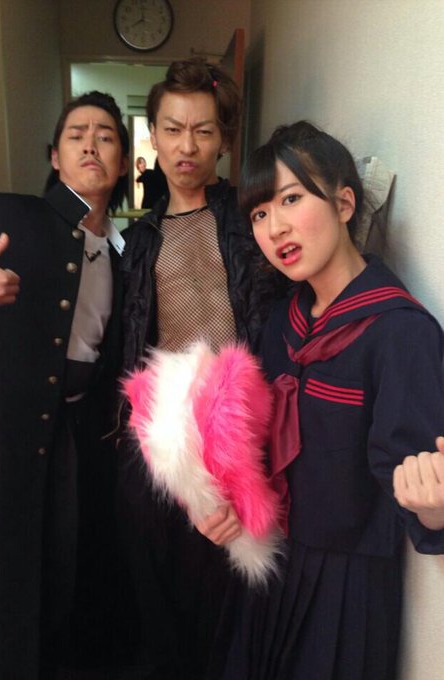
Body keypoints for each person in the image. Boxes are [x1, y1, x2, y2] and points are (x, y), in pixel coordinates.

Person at [215, 121, 444, 680]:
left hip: (346, 591)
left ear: (344, 203)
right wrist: (227, 500)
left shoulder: (400, 333)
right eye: (259, 213)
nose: (275, 227)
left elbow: (415, 478)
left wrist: (434, 507)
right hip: (269, 564)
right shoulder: (282, 321)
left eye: (291, 199)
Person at [0, 91, 130, 680]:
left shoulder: (126, 250)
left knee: (67, 576)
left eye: (106, 136)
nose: (91, 144)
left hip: (79, 437)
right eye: (77, 134)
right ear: (54, 156)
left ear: (123, 161)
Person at [116, 58, 285, 680]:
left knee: (227, 596)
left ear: (224, 140)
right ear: (154, 137)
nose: (187, 146)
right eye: (172, 129)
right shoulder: (138, 241)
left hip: (236, 430)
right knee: (156, 591)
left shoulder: (251, 221)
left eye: (203, 130)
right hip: (158, 439)